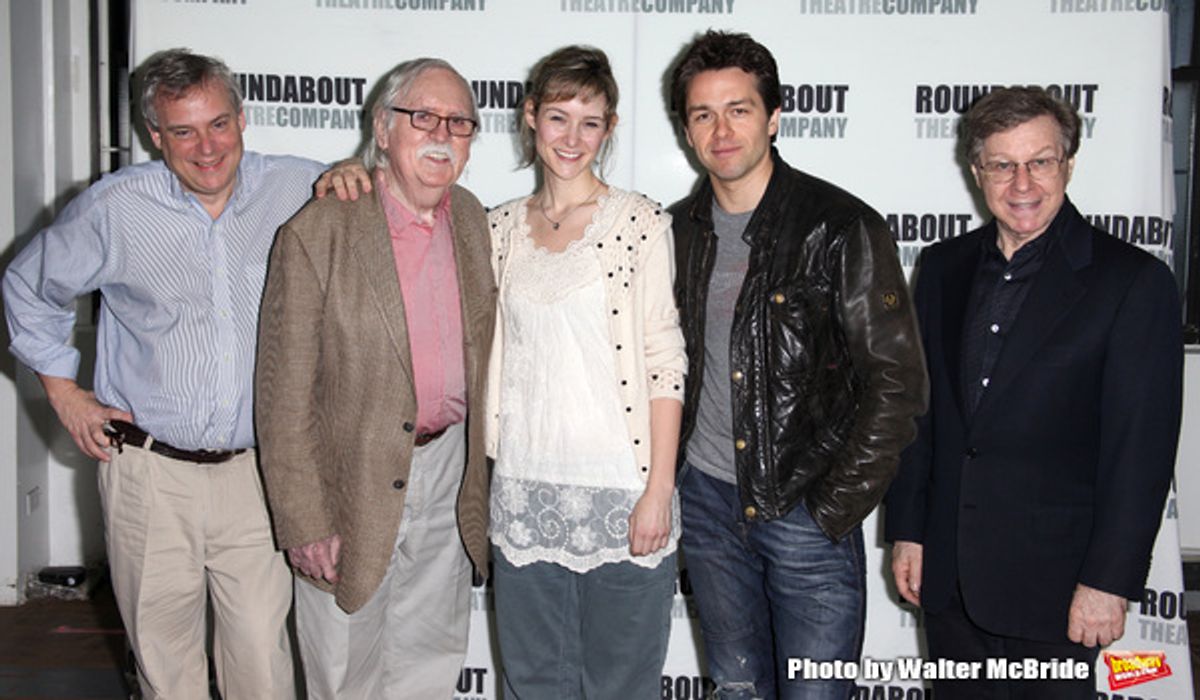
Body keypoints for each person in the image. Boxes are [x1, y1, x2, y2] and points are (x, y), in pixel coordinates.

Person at [2, 49, 322, 698]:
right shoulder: (113, 209)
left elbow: (382, 202)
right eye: (183, 131)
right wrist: (65, 394)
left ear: (242, 118)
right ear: (156, 135)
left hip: (255, 475)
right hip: (148, 477)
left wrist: (353, 179)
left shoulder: (299, 187)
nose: (207, 148)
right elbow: (26, 288)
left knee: (262, 664)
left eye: (219, 124)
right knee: (165, 663)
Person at [885, 86, 1183, 699]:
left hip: (1060, 588)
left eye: (1040, 161)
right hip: (951, 581)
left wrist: (1109, 582)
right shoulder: (942, 267)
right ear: (977, 172)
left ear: (1068, 164)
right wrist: (910, 530)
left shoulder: (1132, 282)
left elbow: (1141, 453)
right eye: (1003, 165)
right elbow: (922, 414)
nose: (1022, 183)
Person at [667, 31, 928, 699]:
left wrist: (829, 509)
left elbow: (898, 384)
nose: (721, 129)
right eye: (703, 114)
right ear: (686, 129)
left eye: (739, 108)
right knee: (736, 689)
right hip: (705, 507)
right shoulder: (673, 231)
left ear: (775, 116)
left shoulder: (839, 226)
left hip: (803, 510)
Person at [254, 57, 494, 700]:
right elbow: (283, 393)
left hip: (447, 472)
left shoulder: (474, 219)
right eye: (422, 117)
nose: (442, 134)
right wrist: (303, 519)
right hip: (347, 483)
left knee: (430, 660)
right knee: (344, 670)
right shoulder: (321, 229)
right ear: (382, 129)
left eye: (459, 122)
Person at [484, 45, 685, 699]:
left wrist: (656, 490)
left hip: (621, 496)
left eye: (590, 122)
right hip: (523, 493)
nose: (572, 138)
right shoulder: (497, 229)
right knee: (533, 684)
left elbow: (664, 362)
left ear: (610, 129)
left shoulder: (639, 223)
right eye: (558, 117)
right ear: (530, 117)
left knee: (621, 686)